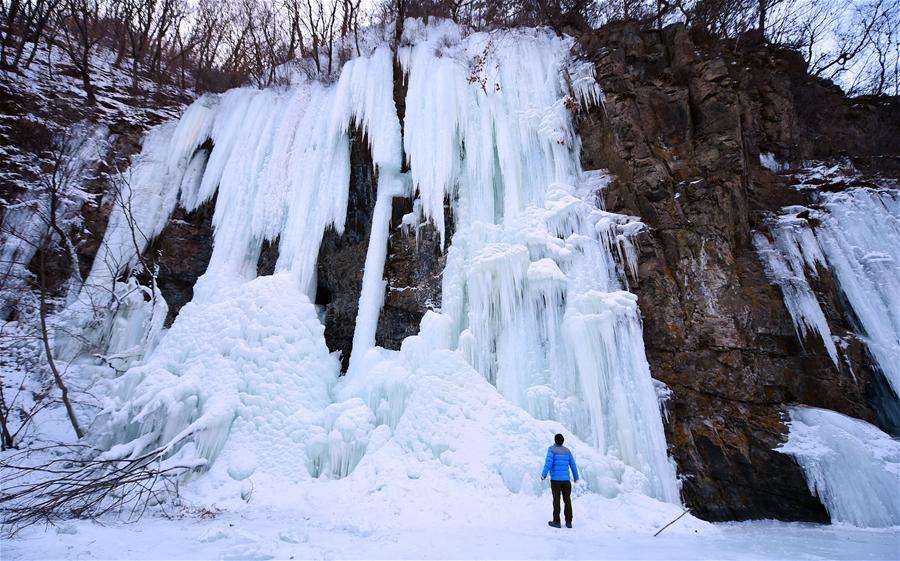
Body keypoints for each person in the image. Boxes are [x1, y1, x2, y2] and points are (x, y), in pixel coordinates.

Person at [541, 433, 579, 528]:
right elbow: (573, 465)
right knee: (567, 501)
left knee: (556, 501)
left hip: (555, 481)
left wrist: (543, 475)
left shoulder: (552, 450)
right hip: (566, 481)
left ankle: (557, 522)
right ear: (563, 441)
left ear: (555, 440)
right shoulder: (567, 451)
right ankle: (569, 522)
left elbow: (548, 463)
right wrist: (576, 477)